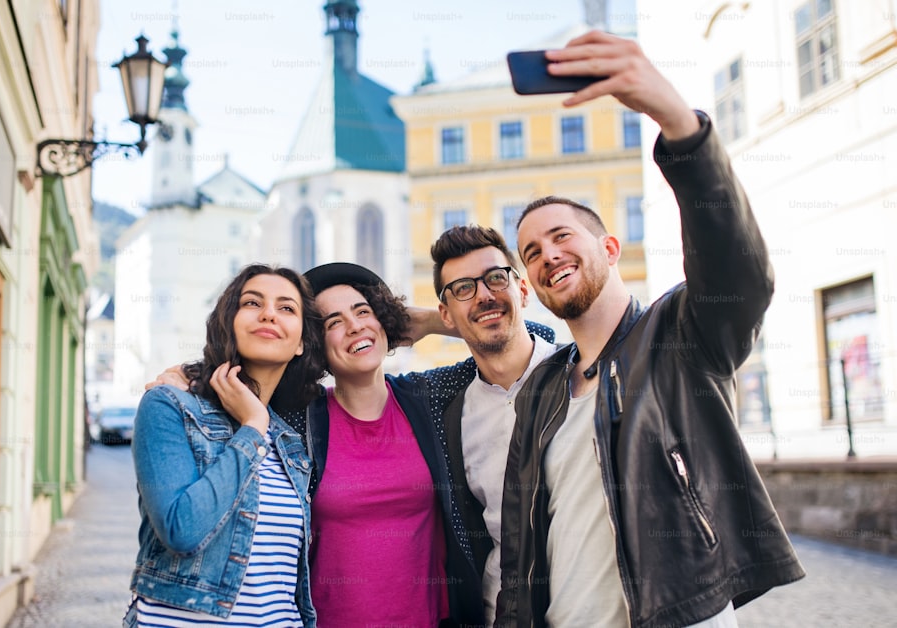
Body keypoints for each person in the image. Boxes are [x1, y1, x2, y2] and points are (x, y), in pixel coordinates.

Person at [495, 31, 805, 627]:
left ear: (610, 248)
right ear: (528, 280)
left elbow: (737, 271)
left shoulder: (679, 337)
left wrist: (676, 122)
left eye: (563, 236)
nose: (548, 253)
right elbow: (522, 550)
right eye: (531, 251)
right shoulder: (541, 391)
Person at [125, 264, 326, 627]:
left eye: (286, 308)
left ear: (300, 344)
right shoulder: (170, 407)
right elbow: (181, 530)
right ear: (228, 321)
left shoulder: (292, 443)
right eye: (252, 302)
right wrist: (252, 429)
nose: (269, 313)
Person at [300, 262, 485, 627]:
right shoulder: (303, 419)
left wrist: (432, 322)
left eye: (364, 311)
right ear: (316, 345)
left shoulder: (426, 397)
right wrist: (181, 382)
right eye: (333, 322)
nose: (355, 326)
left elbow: (527, 339)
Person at [428, 225, 557, 626]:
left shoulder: (580, 373)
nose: (484, 295)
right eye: (463, 288)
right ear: (446, 315)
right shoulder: (450, 417)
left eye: (496, 278)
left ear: (522, 290)